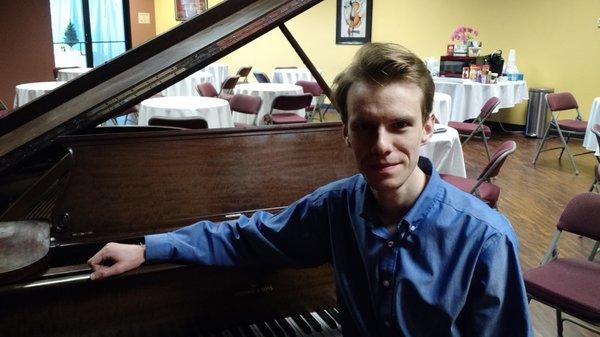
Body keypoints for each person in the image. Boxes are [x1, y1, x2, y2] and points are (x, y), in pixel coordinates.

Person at [88, 43, 533, 337]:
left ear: (428, 128)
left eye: (400, 125)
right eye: (364, 127)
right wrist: (149, 248)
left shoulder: (485, 239)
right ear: (345, 132)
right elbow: (249, 235)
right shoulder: (336, 206)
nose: (381, 147)